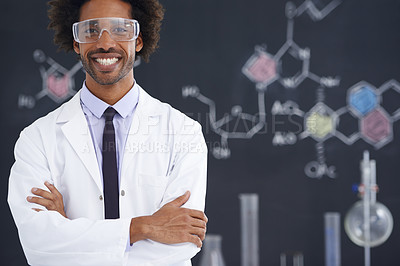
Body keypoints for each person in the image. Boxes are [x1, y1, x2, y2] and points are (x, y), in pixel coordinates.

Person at [7, 0, 208, 265]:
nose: (105, 42)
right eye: (91, 30)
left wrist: (70, 233)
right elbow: (38, 245)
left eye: (120, 29)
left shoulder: (183, 133)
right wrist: (142, 227)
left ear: (138, 39)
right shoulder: (37, 139)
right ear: (76, 42)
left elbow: (182, 242)